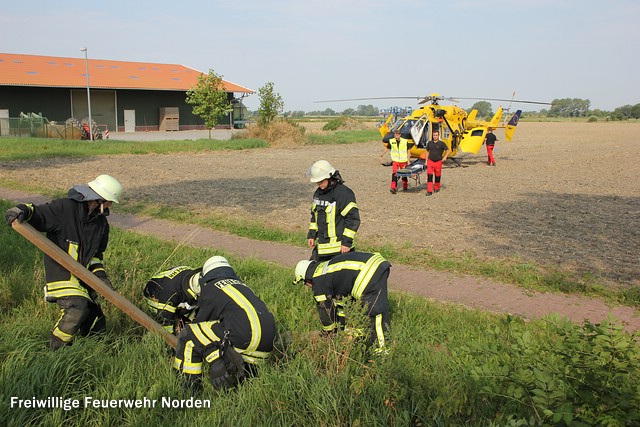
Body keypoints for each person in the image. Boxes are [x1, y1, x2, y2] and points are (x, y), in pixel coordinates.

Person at [5, 174, 123, 351]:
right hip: (61, 273)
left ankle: (91, 353)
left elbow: (96, 256)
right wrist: (21, 209)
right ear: (99, 199)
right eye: (109, 201)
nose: (110, 206)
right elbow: (39, 214)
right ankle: (54, 349)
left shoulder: (101, 225)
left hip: (82, 278)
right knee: (77, 308)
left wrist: (101, 277)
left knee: (96, 321)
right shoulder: (65, 208)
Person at [173, 256, 276, 391]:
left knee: (189, 335)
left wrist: (214, 357)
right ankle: (244, 378)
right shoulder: (243, 286)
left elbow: (201, 326)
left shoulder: (211, 287)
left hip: (244, 337)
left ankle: (188, 388)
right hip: (267, 344)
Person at [293, 251, 391, 353]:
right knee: (360, 306)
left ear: (306, 279)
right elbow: (342, 305)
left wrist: (329, 332)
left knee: (375, 313)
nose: (308, 287)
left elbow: (325, 310)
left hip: (369, 271)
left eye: (305, 284)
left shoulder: (318, 281)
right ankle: (359, 339)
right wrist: (342, 329)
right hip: (376, 264)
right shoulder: (326, 270)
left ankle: (382, 352)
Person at [305, 160, 360, 261]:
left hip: (340, 250)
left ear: (330, 177)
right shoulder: (318, 194)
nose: (319, 184)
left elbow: (353, 219)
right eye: (317, 182)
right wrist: (312, 235)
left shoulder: (343, 194)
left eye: (321, 181)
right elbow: (315, 216)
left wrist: (346, 243)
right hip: (322, 250)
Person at [143, 266, 202, 335]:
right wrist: (173, 337)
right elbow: (165, 322)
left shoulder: (195, 277)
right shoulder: (169, 296)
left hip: (172, 285)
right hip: (157, 295)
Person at [380, 129, 414, 194]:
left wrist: (408, 160)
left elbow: (408, 150)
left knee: (404, 173)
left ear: (400, 135)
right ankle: (393, 187)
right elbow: (387, 148)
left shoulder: (405, 141)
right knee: (394, 173)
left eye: (397, 134)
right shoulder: (391, 141)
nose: (396, 135)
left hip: (403, 160)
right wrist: (382, 154)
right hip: (395, 160)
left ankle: (405, 185)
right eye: (395, 134)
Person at [424, 130, 450, 196]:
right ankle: (429, 190)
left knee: (437, 176)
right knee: (429, 175)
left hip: (438, 162)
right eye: (434, 135)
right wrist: (426, 161)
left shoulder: (441, 143)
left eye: (436, 135)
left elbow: (448, 150)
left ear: (438, 136)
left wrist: (445, 157)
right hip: (431, 161)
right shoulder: (429, 143)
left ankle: (436, 187)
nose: (435, 136)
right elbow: (427, 151)